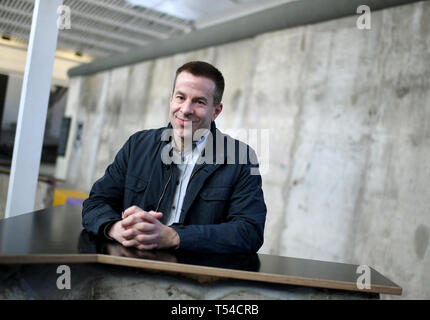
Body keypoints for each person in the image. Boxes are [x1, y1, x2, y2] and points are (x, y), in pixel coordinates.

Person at [82, 61, 266, 254]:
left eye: (199, 102)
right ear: (171, 100)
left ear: (216, 111)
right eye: (180, 97)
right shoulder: (137, 145)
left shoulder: (240, 158)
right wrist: (116, 228)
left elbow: (249, 231)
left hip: (197, 277)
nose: (186, 109)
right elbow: (95, 203)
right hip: (130, 265)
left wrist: (173, 236)